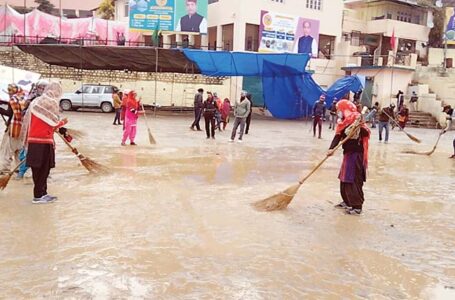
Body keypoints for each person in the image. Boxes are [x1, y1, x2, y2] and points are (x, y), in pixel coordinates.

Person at [21, 82, 68, 204]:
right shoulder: (50, 103)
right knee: (44, 169)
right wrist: (63, 123)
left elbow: (44, 122)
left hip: (33, 140)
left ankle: (42, 193)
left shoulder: (36, 102)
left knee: (37, 168)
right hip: (44, 141)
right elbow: (52, 123)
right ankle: (38, 195)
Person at [328, 99, 370, 215]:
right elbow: (338, 136)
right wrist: (331, 149)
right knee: (344, 179)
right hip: (347, 154)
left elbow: (366, 133)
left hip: (356, 155)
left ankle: (357, 206)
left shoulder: (357, 119)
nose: (338, 112)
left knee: (354, 179)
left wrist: (358, 127)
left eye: (339, 110)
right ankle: (347, 201)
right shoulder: (344, 122)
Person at [0, 84, 24, 174]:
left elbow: (9, 113)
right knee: (18, 149)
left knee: (6, 149)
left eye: (10, 90)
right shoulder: (20, 99)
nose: (9, 92)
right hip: (21, 128)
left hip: (14, 128)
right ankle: (19, 169)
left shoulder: (13, 100)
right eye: (8, 90)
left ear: (14, 91)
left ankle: (4, 169)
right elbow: (15, 114)